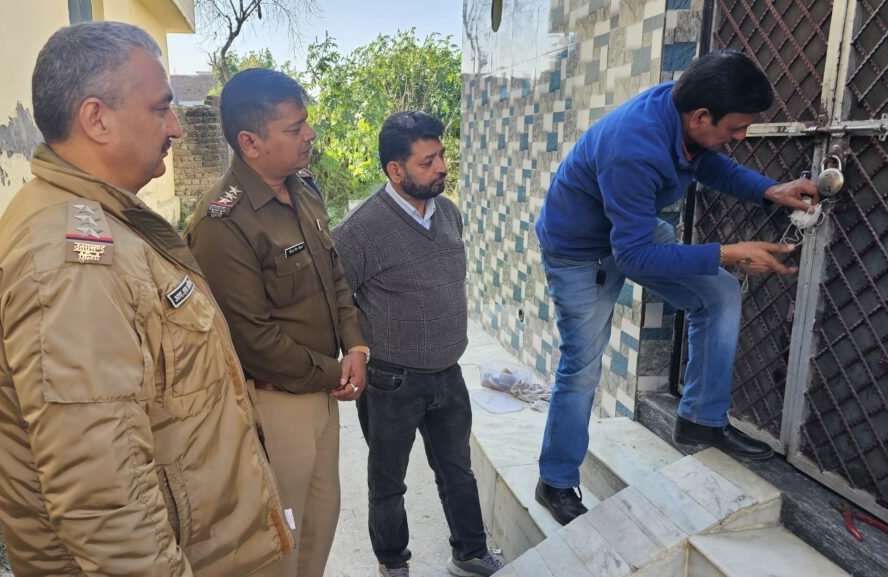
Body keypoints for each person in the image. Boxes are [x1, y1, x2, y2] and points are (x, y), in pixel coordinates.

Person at [0, 22, 291, 577]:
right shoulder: (72, 262)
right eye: (161, 108)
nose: (176, 128)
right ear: (97, 119)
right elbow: (104, 498)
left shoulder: (99, 219)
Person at [533, 49, 819, 526]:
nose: (740, 137)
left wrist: (768, 190)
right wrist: (728, 252)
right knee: (582, 367)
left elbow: (708, 163)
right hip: (580, 253)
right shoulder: (632, 146)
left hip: (630, 231)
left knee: (719, 293)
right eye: (735, 128)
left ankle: (701, 420)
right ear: (702, 116)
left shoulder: (681, 110)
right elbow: (633, 257)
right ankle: (556, 481)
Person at [185, 68, 368, 577]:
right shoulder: (223, 223)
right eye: (294, 128)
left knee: (320, 523)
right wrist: (335, 373)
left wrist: (356, 346)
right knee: (277, 543)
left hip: (322, 393)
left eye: (305, 122)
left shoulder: (302, 189)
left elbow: (334, 275)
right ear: (250, 142)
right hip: (274, 405)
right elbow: (254, 341)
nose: (310, 134)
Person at [333, 111, 504, 577]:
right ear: (395, 170)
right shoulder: (360, 230)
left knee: (458, 471)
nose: (442, 167)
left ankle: (469, 554)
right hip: (391, 381)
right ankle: (393, 563)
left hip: (449, 374)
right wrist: (354, 353)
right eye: (428, 162)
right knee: (388, 481)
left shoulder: (448, 213)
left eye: (442, 156)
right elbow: (336, 299)